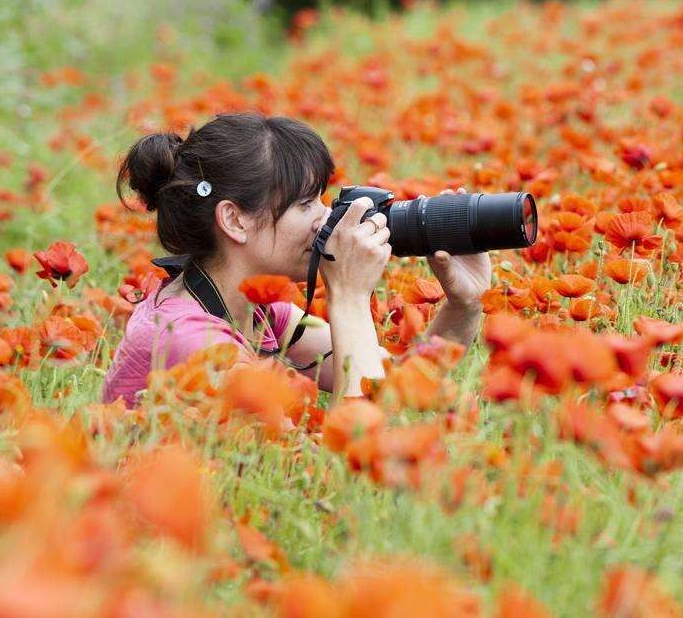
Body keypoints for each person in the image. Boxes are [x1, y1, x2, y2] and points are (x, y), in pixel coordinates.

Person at [101, 112, 490, 407]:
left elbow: (395, 386)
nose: (324, 217)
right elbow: (353, 459)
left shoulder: (261, 315)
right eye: (305, 203)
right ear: (234, 220)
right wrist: (349, 296)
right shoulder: (189, 341)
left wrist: (465, 303)